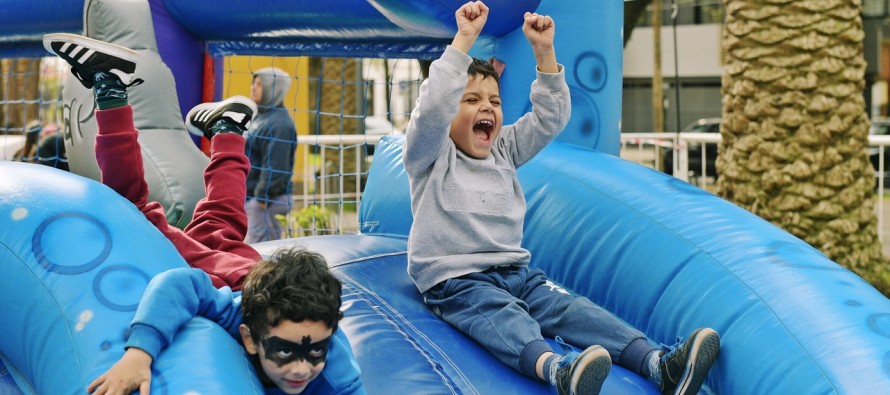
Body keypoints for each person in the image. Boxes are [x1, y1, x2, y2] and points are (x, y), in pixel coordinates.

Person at [402, 3, 720, 395]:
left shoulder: (504, 149)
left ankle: (658, 363)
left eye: (494, 102)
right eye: (470, 100)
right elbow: (432, 108)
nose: (486, 107)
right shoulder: (431, 154)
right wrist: (465, 38)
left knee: (576, 310)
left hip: (516, 274)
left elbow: (549, 118)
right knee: (504, 318)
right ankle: (557, 370)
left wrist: (544, 52)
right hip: (458, 281)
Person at [42, 33, 364, 394]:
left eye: (317, 351)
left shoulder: (333, 365)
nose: (302, 368)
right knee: (133, 212)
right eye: (285, 351)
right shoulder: (240, 312)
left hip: (251, 269)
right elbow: (180, 285)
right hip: (225, 275)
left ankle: (228, 130)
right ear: (250, 338)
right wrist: (139, 353)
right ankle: (110, 85)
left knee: (220, 221)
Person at [245, 67, 298, 243]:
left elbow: (276, 167)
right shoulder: (260, 116)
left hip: (267, 201)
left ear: (272, 88)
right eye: (253, 83)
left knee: (260, 251)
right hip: (254, 198)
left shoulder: (279, 125)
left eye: (259, 84)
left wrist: (261, 198)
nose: (253, 87)